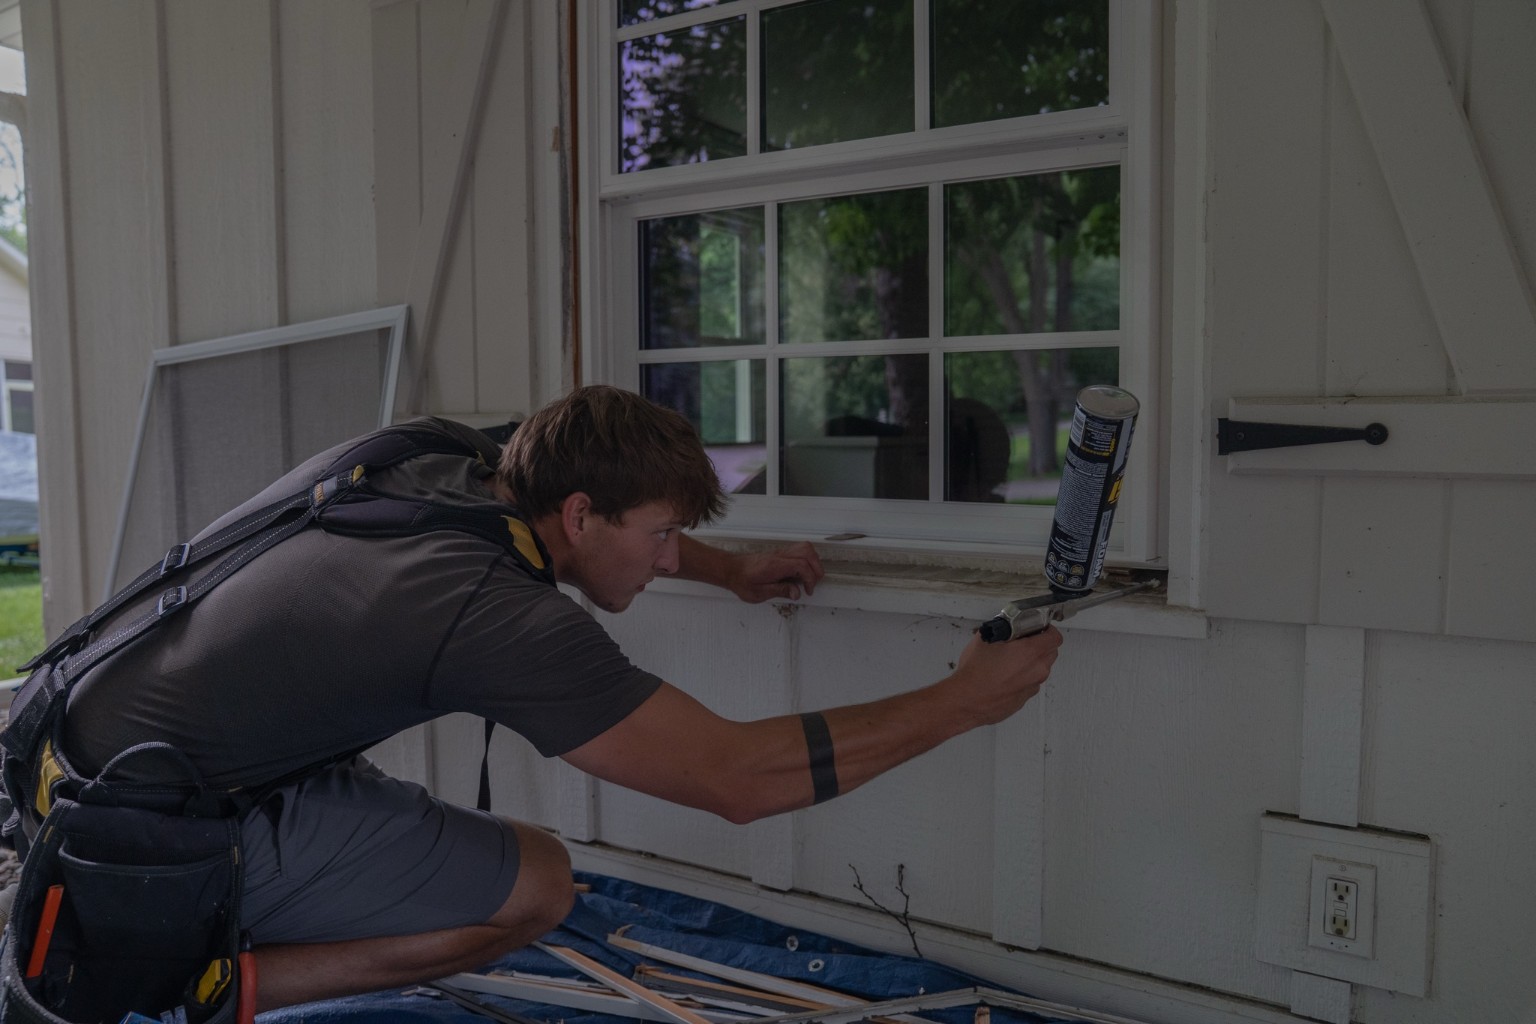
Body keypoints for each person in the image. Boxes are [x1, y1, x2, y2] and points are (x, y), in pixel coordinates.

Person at [55, 385, 1063, 1010]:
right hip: (142, 828)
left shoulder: (441, 453)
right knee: (540, 884)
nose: (668, 559)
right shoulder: (496, 613)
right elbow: (736, 776)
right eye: (661, 538)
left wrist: (730, 569)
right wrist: (963, 703)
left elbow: (612, 500)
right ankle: (213, 988)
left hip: (85, 729)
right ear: (578, 513)